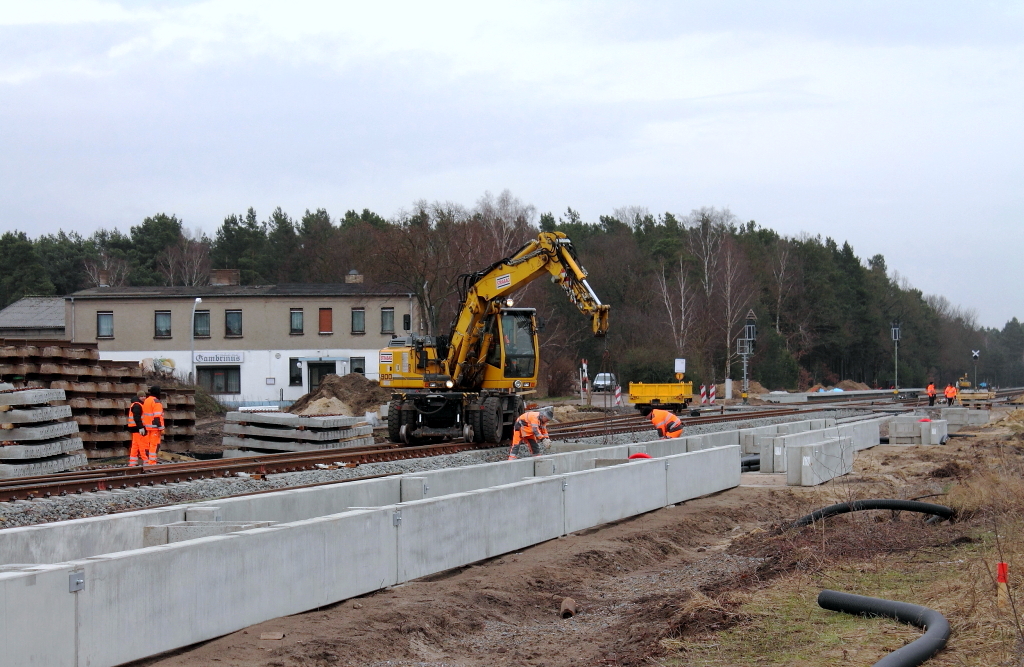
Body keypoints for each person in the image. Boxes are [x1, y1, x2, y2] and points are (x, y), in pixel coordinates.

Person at [142, 386, 165, 466]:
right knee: (154, 445)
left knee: (148, 444)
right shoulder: (156, 402)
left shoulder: (147, 400)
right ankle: (152, 462)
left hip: (147, 426)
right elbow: (157, 417)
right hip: (155, 427)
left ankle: (148, 460)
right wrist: (161, 428)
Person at [126, 392, 148, 466]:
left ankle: (133, 462)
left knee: (135, 445)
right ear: (138, 397)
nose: (143, 398)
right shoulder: (137, 405)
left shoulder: (136, 404)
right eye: (141, 396)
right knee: (142, 445)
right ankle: (146, 461)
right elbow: (137, 417)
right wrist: (141, 427)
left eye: (144, 396)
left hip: (134, 428)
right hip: (137, 428)